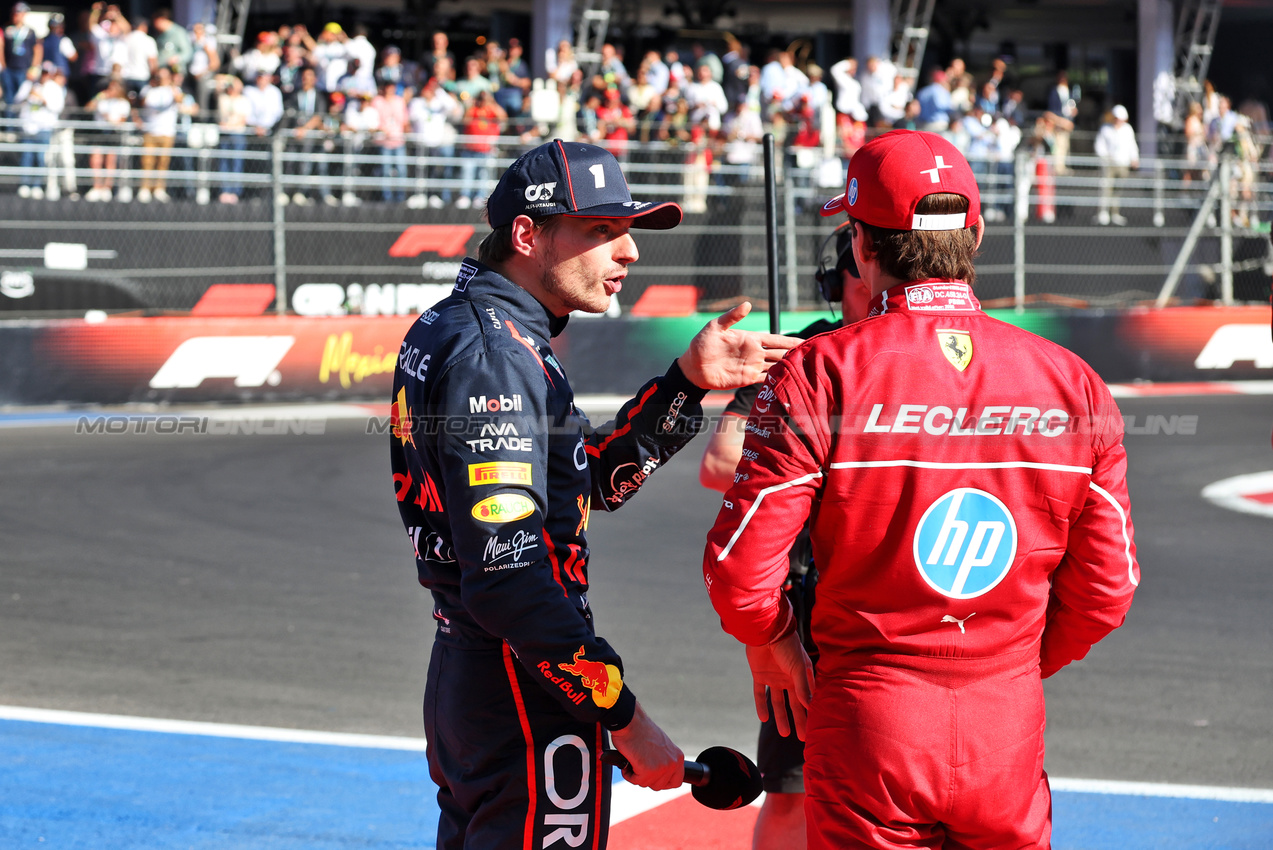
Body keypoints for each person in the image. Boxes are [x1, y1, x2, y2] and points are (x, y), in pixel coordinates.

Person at [703, 130, 1139, 849]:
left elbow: (740, 576)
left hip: (869, 714)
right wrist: (1013, 667)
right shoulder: (1073, 381)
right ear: (974, 233)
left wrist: (774, 642)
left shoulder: (819, 372)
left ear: (860, 246)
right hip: (1006, 719)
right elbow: (1107, 589)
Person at [389, 139, 800, 850]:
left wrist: (686, 384)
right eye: (602, 232)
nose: (629, 252)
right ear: (527, 234)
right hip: (519, 682)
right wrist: (626, 719)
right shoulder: (496, 354)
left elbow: (575, 485)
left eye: (627, 231)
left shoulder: (475, 326)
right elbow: (510, 579)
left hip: (482, 671)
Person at [698, 224, 871, 850]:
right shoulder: (790, 360)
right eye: (858, 269)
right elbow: (718, 464)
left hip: (886, 594)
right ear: (837, 281)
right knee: (794, 793)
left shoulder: (918, 353)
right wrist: (818, 463)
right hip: (804, 606)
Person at [1095, 104, 1139, 225]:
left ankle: (1114, 213)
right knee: (1106, 188)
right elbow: (1100, 146)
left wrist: (1134, 158)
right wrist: (1105, 157)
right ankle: (1103, 212)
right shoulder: (1105, 129)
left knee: (1118, 189)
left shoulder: (1127, 129)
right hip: (1109, 164)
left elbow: (1132, 145)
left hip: (1123, 163)